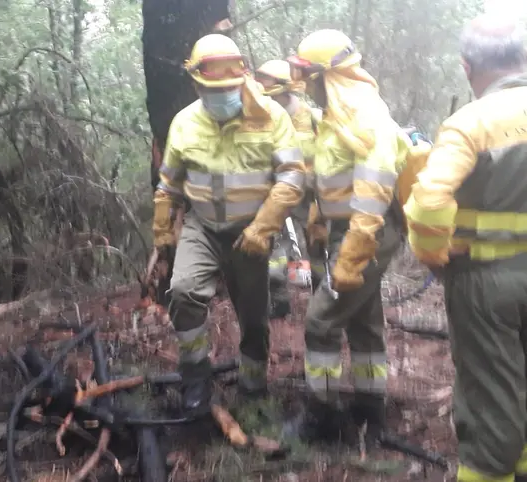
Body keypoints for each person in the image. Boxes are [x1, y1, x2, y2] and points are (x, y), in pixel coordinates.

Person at [404, 15, 527, 482]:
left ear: (467, 68)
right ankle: (523, 470)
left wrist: (432, 254)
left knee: (490, 400)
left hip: (484, 282)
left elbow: (428, 203)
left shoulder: (470, 123)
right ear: (525, 60)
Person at [152, 34, 306, 413]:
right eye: (212, 88)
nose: (223, 95)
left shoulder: (272, 118)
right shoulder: (184, 124)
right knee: (184, 291)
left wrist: (262, 228)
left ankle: (253, 387)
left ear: (244, 79)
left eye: (230, 87)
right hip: (201, 226)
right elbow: (168, 185)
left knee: (253, 315)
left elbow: (291, 178)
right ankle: (196, 380)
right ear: (196, 84)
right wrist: (162, 234)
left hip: (249, 230)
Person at [285, 29, 413, 444]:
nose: (304, 84)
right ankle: (371, 410)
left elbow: (374, 189)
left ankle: (320, 417)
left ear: (327, 75)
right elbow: (332, 175)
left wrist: (354, 251)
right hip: (350, 227)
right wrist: (320, 217)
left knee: (321, 320)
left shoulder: (365, 114)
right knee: (363, 320)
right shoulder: (337, 113)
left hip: (368, 230)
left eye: (308, 75)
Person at [254, 59, 322, 317]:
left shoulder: (313, 118)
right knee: (274, 249)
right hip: (277, 192)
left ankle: (321, 303)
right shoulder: (260, 118)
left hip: (309, 195)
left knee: (318, 246)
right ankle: (279, 300)